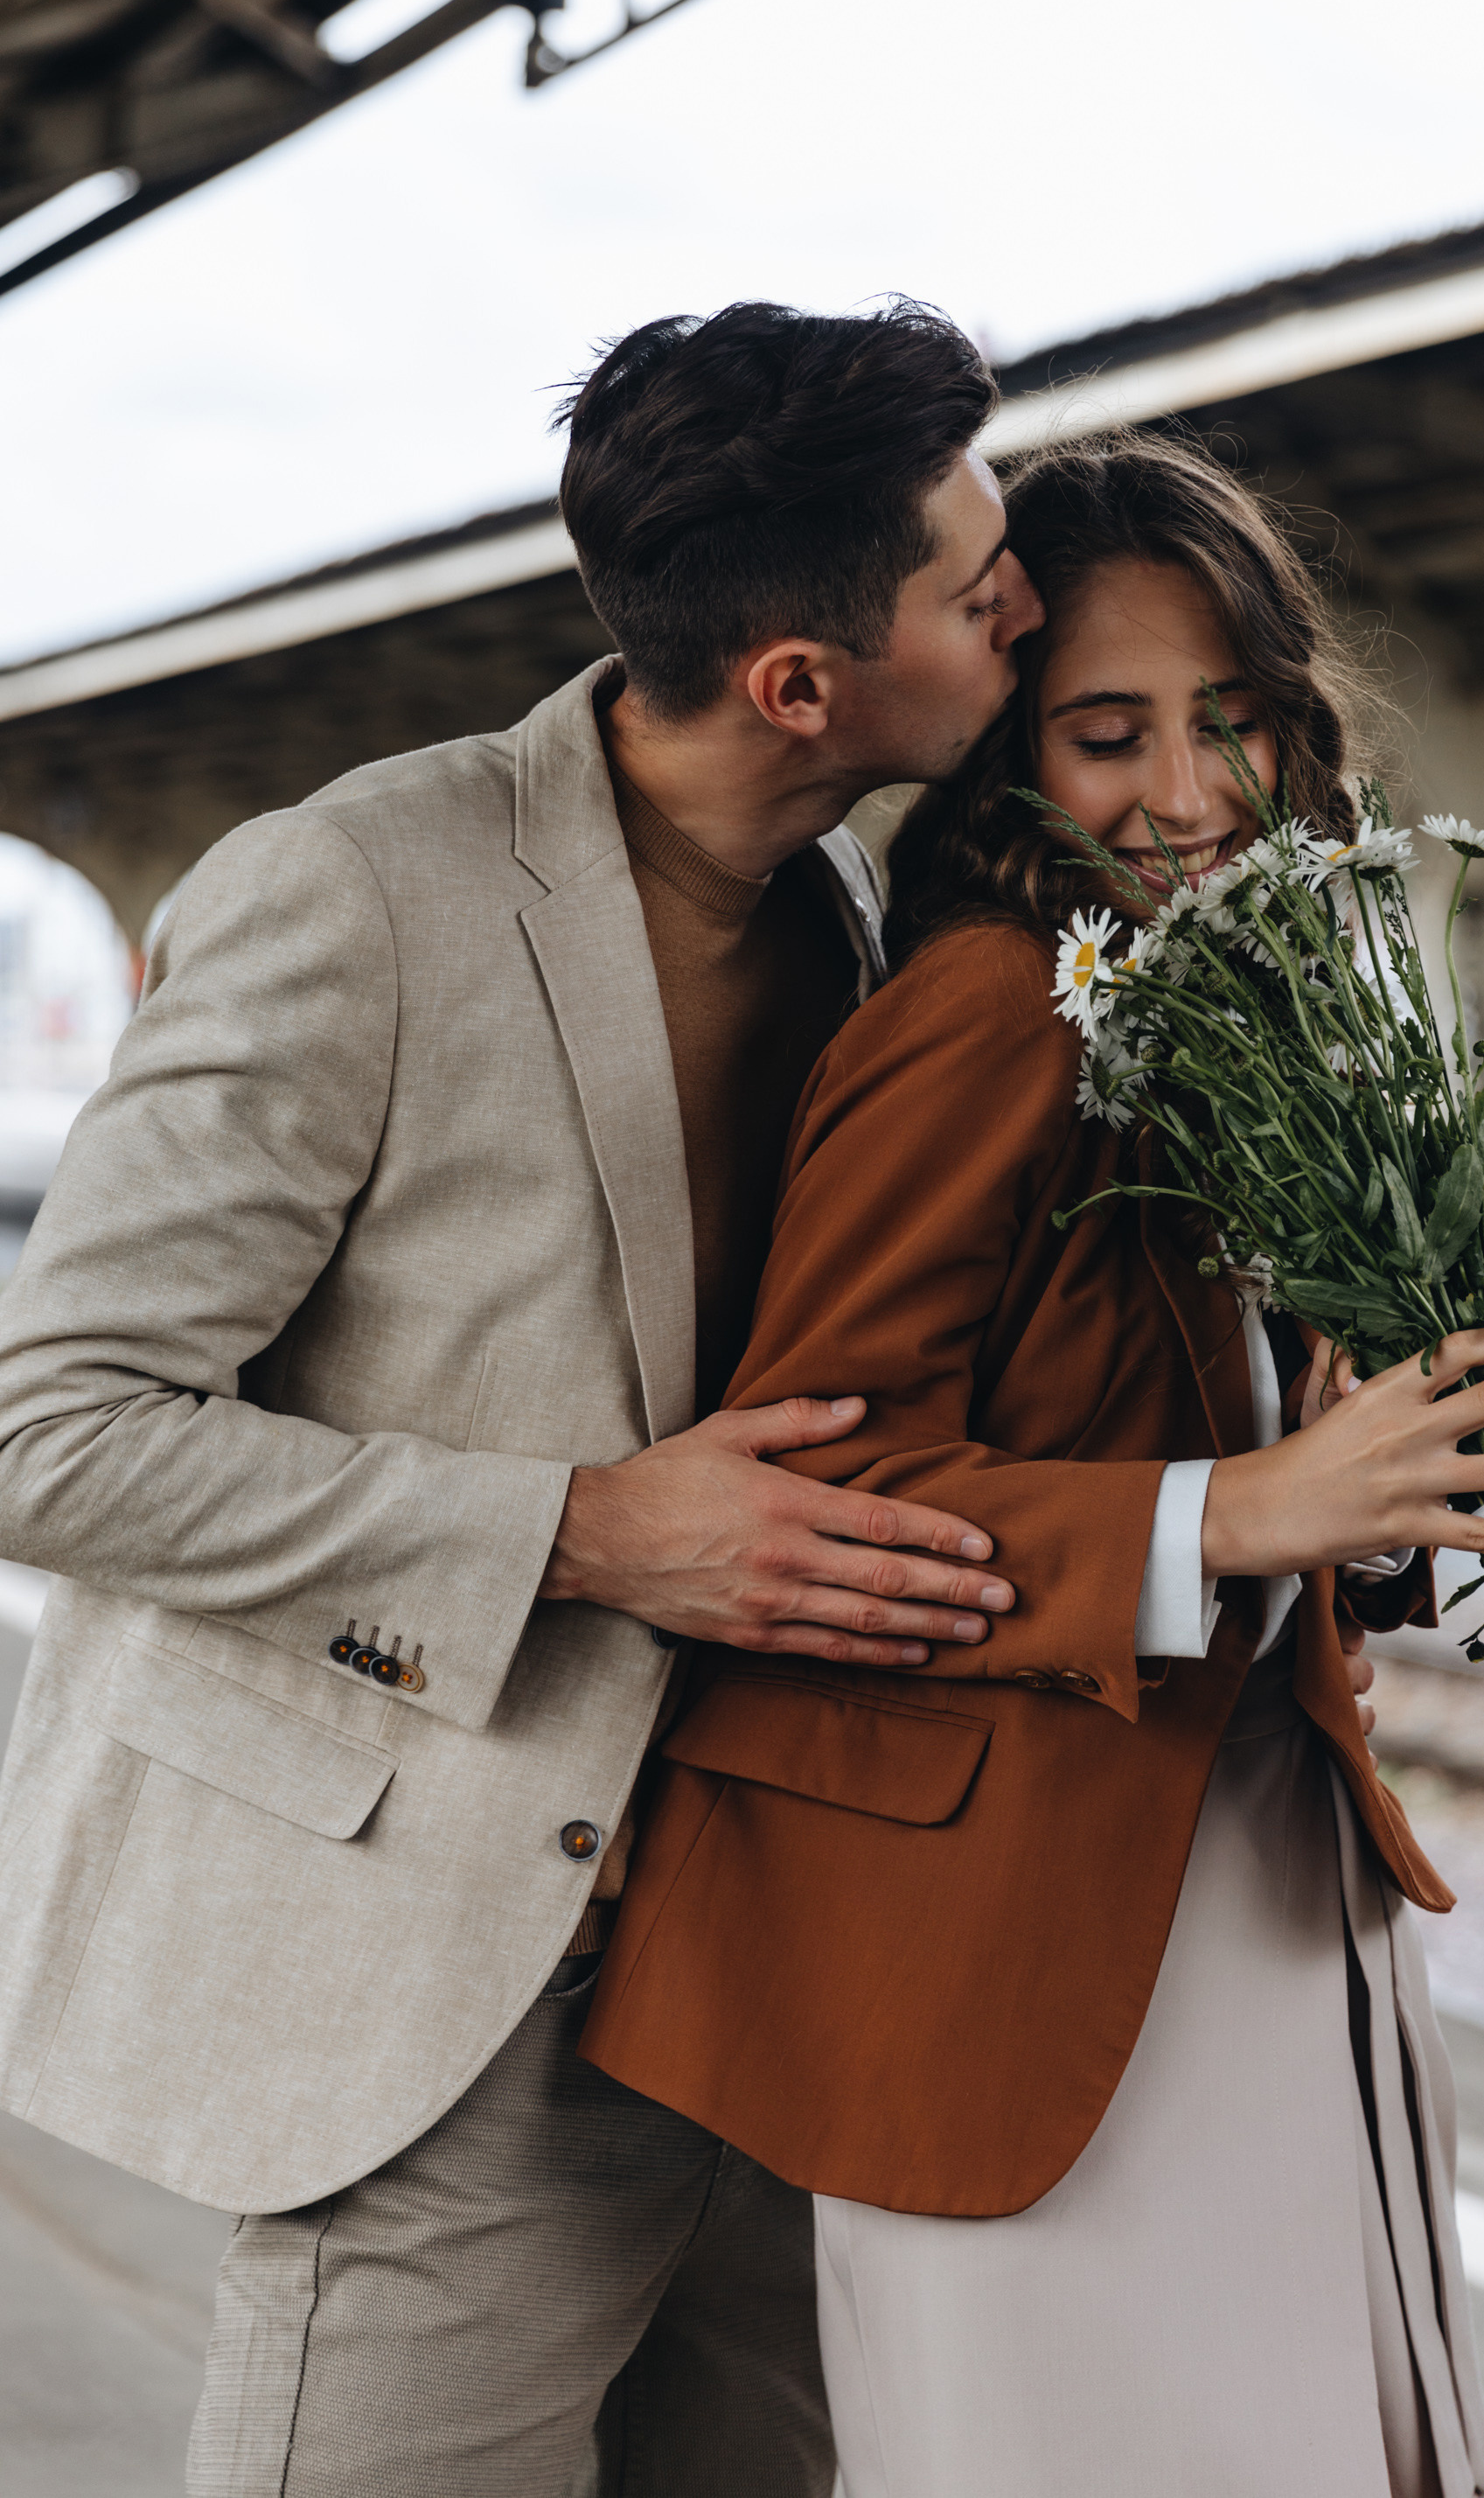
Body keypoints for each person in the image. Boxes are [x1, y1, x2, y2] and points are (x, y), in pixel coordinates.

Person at [0, 301, 1049, 2497]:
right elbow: (53, 1424)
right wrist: (582, 1524)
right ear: (801, 683)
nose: (1021, 600)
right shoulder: (358, 888)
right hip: (443, 2004)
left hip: (760, 1981)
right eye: (976, 582)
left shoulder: (853, 904)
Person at [582, 431, 1484, 2498]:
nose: (1193, 793)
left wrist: (1375, 1455)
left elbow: (1199, 1423)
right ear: (1007, 755)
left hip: (1232, 1869)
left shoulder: (1219, 1000)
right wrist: (1241, 1511)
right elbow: (828, 1489)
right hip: (1030, 1954)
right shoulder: (993, 1007)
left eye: (1234, 722)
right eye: (1109, 732)